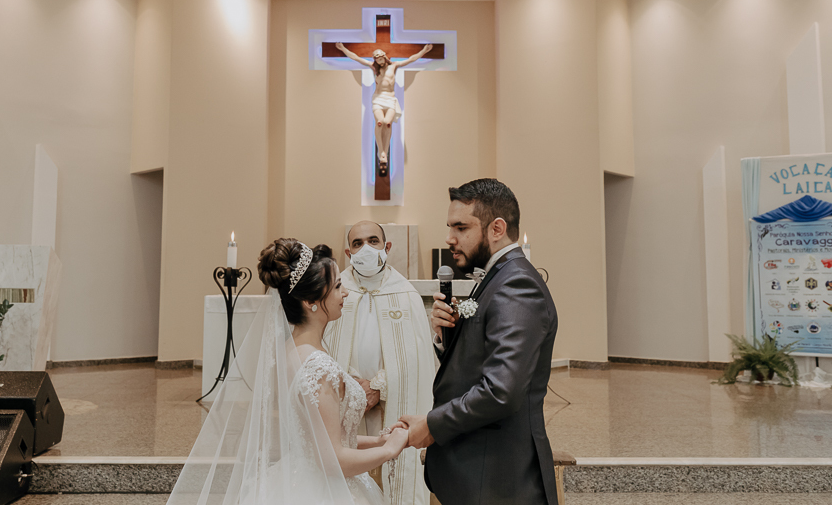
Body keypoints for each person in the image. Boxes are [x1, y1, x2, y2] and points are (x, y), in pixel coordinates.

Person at [167, 239, 409, 505]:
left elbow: (319, 440)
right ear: (310, 300)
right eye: (338, 286)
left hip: (297, 477)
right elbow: (332, 461)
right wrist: (390, 449)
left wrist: (378, 441)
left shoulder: (290, 351)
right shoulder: (318, 367)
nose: (346, 293)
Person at [396, 179, 560, 505]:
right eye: (449, 227)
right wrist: (448, 337)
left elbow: (501, 391)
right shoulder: (498, 276)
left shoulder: (516, 284)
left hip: (497, 479)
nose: (449, 238)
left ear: (497, 228)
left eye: (461, 227)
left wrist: (432, 425)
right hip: (481, 473)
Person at [324, 221, 435, 505]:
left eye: (373, 241)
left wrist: (377, 387)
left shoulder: (405, 293)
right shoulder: (333, 291)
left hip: (391, 403)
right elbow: (323, 345)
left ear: (387, 247)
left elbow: (417, 358)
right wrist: (352, 387)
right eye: (357, 243)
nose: (366, 248)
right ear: (348, 253)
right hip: (346, 399)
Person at [335, 42, 433, 176]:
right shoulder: (373, 67)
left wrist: (424, 51)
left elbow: (411, 59)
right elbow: (356, 58)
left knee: (387, 123)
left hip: (390, 99)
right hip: (378, 99)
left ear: (385, 57)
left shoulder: (394, 66)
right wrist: (343, 48)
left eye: (380, 59)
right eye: (377, 60)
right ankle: (381, 152)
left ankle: (384, 152)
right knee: (380, 122)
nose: (379, 62)